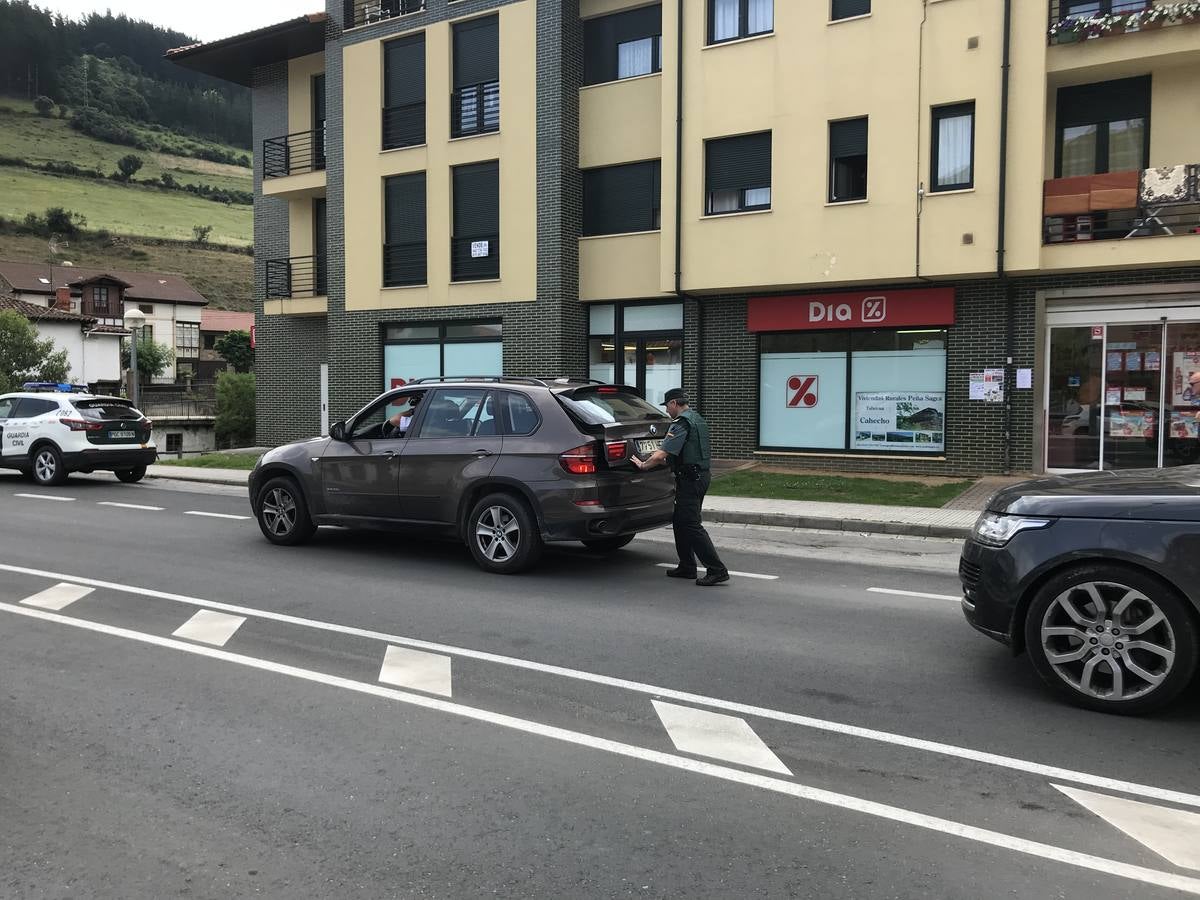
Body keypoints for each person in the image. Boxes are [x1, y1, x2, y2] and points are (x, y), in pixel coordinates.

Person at [632, 388, 729, 587]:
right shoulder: (697, 418)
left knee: (691, 523)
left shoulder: (681, 423)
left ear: (675, 403)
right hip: (701, 475)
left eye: (667, 406)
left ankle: (717, 569)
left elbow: (661, 454)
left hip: (690, 479)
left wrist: (643, 465)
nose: (667, 411)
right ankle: (687, 566)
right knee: (680, 521)